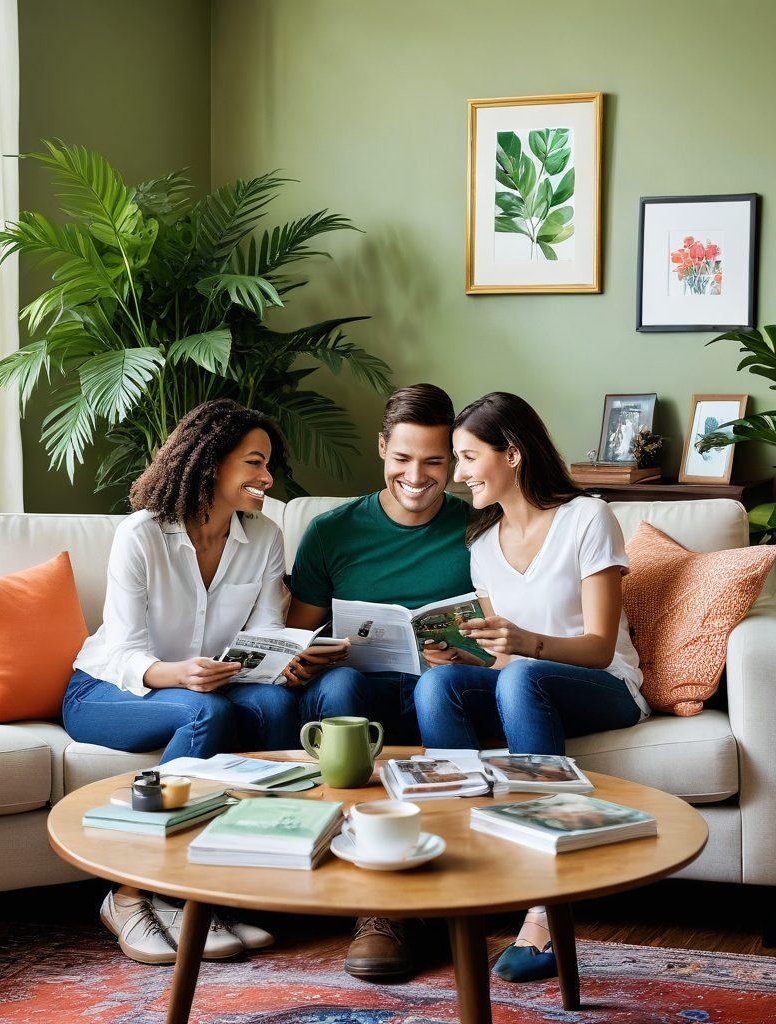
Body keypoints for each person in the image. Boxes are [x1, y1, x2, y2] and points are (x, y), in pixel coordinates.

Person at [414, 391, 650, 984]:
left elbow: (598, 646)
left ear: (512, 454)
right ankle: (459, 872)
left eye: (468, 459)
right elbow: (500, 663)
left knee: (520, 673)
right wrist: (459, 655)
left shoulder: (586, 518)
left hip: (606, 687)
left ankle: (545, 903)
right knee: (437, 685)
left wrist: (524, 645)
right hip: (527, 682)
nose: (459, 474)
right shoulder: (482, 545)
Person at [62, 398, 300, 966]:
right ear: (212, 463)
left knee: (275, 705)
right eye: (255, 464)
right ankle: (135, 891)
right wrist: (180, 674)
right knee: (207, 714)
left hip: (205, 685)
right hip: (107, 689)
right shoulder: (141, 535)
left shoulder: (263, 535)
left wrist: (281, 659)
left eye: (268, 465)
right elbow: (122, 649)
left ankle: (235, 883)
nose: (267, 478)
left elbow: (266, 630)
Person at [284, 383, 473, 981]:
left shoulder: (480, 528)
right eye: (403, 459)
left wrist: (465, 657)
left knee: (436, 693)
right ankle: (372, 907)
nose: (417, 476)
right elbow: (297, 637)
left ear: (455, 462)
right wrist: (311, 655)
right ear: (383, 450)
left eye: (434, 462)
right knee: (340, 698)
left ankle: (439, 895)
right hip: (352, 688)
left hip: (440, 685)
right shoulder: (332, 530)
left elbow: (506, 629)